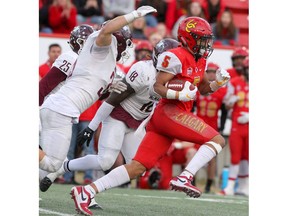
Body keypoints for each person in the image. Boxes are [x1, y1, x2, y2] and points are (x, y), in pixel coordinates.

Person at [69, 17, 230, 215]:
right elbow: (157, 86)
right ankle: (185, 176)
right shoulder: (175, 56)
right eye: (201, 39)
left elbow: (203, 88)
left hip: (169, 117)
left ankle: (86, 191)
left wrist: (217, 84)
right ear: (188, 39)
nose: (206, 44)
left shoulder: (201, 59)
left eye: (207, 39)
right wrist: (178, 94)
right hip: (169, 112)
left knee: (137, 167)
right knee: (217, 139)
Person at [39, 38, 180, 199]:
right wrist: (91, 127)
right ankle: (72, 175)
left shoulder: (176, 79)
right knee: (105, 161)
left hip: (138, 123)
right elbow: (113, 99)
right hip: (119, 116)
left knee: (139, 167)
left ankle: (77, 178)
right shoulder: (143, 70)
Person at [39, 5, 157, 176]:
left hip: (61, 109)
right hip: (61, 109)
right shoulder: (101, 47)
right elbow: (106, 29)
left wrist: (108, 90)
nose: (126, 48)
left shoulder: (104, 62)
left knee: (50, 164)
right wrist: (134, 14)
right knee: (52, 164)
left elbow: (91, 90)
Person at [194, 62, 227, 193]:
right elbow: (191, 107)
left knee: (211, 157)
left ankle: (208, 185)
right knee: (194, 153)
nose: (212, 74)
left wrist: (222, 127)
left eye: (214, 71)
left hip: (212, 128)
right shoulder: (199, 88)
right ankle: (192, 181)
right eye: (209, 71)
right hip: (197, 126)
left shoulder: (222, 91)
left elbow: (224, 111)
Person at [39, 25, 93, 106]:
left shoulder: (84, 60)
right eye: (88, 42)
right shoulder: (70, 58)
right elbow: (45, 85)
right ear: (77, 42)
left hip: (68, 107)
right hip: (54, 106)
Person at [219, 56, 249, 196]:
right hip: (237, 125)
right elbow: (227, 104)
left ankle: (244, 187)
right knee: (236, 156)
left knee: (247, 157)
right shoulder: (235, 82)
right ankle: (230, 186)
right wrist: (232, 100)